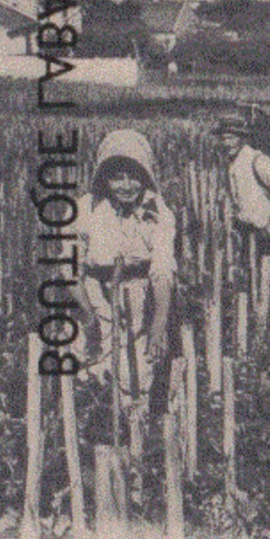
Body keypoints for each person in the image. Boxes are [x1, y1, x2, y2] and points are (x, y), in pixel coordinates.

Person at [79, 129, 177, 403]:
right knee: (92, 370)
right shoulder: (85, 210)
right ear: (103, 178)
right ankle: (97, 431)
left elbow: (162, 270)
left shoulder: (158, 213)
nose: (125, 185)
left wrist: (159, 322)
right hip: (93, 297)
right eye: (116, 177)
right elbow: (69, 272)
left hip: (139, 297)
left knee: (136, 375)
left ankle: (136, 430)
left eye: (133, 176)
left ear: (145, 177)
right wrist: (89, 320)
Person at [217, 111, 270, 298]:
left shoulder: (258, 162)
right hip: (246, 235)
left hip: (268, 237)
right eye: (224, 138)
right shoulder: (231, 164)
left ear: (242, 138)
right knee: (249, 288)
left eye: (231, 137)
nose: (226, 143)